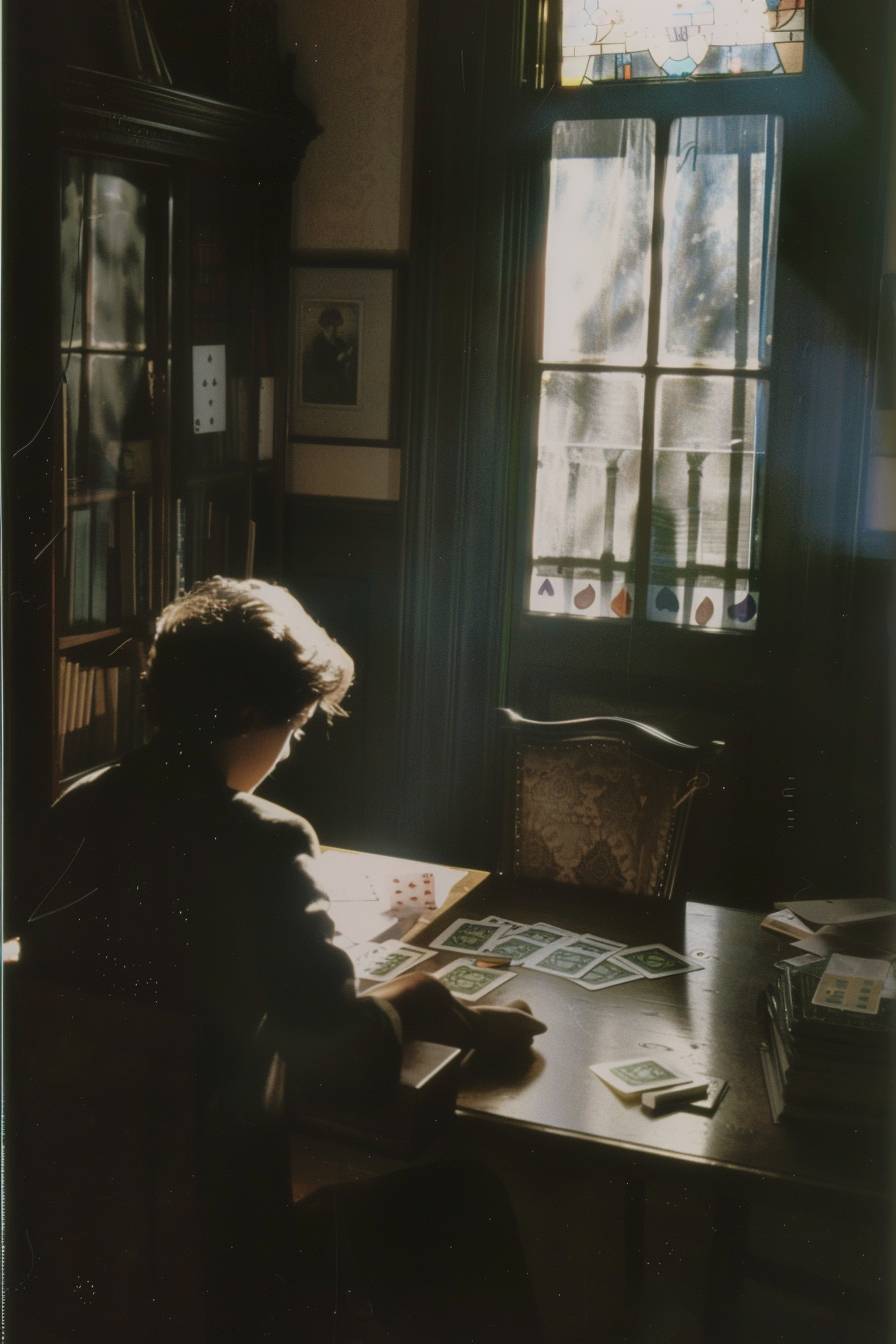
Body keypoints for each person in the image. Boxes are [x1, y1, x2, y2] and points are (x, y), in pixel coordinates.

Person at [22, 576, 546, 1341]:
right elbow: (346, 1066)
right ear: (242, 715)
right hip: (221, 1267)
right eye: (293, 725)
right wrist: (420, 998)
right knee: (468, 1199)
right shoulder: (265, 839)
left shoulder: (73, 810)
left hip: (78, 1251)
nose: (288, 748)